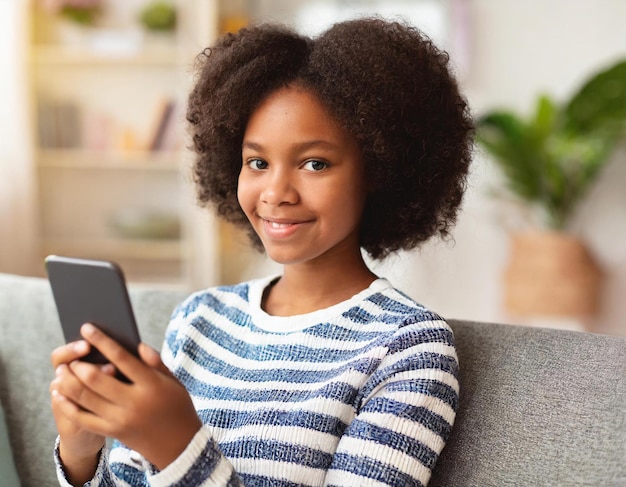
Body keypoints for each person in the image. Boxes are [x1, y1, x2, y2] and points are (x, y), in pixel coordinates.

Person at [50, 17, 473, 486]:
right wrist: (81, 456)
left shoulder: (409, 349)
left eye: (315, 163)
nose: (276, 192)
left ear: (379, 171)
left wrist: (176, 446)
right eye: (257, 162)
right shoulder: (199, 319)